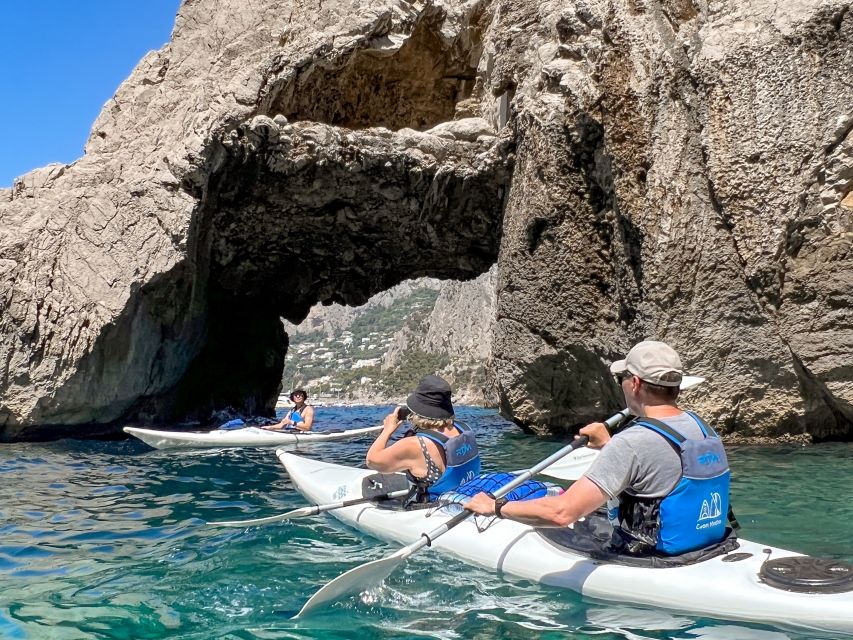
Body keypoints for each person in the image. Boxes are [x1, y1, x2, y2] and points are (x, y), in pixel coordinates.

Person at [465, 340, 731, 556]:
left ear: (635, 384)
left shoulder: (632, 442)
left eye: (621, 378)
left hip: (652, 554)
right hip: (706, 543)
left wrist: (496, 506)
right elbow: (659, 464)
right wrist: (609, 444)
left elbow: (562, 513)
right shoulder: (702, 428)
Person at [366, 375, 481, 502]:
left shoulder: (415, 444)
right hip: (467, 494)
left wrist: (387, 430)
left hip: (437, 506)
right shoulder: (464, 429)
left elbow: (372, 461)